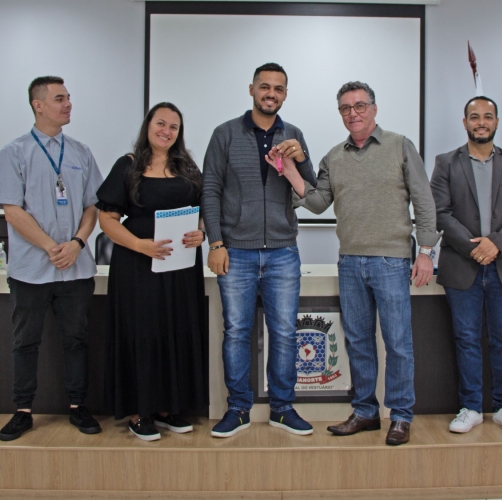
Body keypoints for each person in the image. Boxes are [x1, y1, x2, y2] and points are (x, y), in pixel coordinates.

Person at [279, 81, 438, 445]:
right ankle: (365, 411)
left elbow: (424, 201)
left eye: (360, 106)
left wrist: (426, 251)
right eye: (346, 108)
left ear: (374, 108)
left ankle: (400, 416)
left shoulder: (399, 145)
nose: (353, 113)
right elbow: (319, 204)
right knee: (359, 342)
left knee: (398, 343)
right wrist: (289, 171)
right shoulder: (334, 156)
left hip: (392, 261)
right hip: (350, 262)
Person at [202, 63, 316, 438]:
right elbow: (211, 191)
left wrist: (299, 158)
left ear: (285, 94)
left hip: (283, 252)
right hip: (237, 252)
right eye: (264, 87)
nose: (271, 93)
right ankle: (238, 409)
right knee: (236, 332)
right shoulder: (225, 134)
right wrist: (216, 242)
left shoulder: (294, 134)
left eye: (278, 89)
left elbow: (312, 190)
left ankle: (282, 408)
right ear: (251, 89)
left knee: (284, 333)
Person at [0, 76, 104, 441]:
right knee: (24, 341)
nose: (68, 104)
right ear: (38, 105)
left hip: (75, 266)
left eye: (69, 97)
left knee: (77, 339)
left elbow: (93, 206)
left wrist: (77, 241)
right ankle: (22, 410)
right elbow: (12, 210)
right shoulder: (13, 153)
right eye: (60, 98)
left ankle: (78, 405)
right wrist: (49, 246)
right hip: (31, 269)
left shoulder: (80, 152)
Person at [96, 103, 207, 441]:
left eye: (173, 127)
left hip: (181, 267)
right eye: (161, 123)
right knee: (141, 332)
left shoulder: (187, 167)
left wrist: (201, 231)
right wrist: (139, 245)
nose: (167, 131)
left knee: (176, 329)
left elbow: (204, 209)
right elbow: (106, 220)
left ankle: (169, 407)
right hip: (137, 265)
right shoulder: (127, 166)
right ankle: (139, 411)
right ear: (148, 126)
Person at [429, 96, 502, 434]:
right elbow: (440, 211)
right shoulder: (446, 162)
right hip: (463, 265)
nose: (481, 122)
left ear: (497, 122)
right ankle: (471, 407)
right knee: (466, 339)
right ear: (465, 123)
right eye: (474, 117)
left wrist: (496, 244)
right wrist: (475, 248)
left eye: (488, 116)